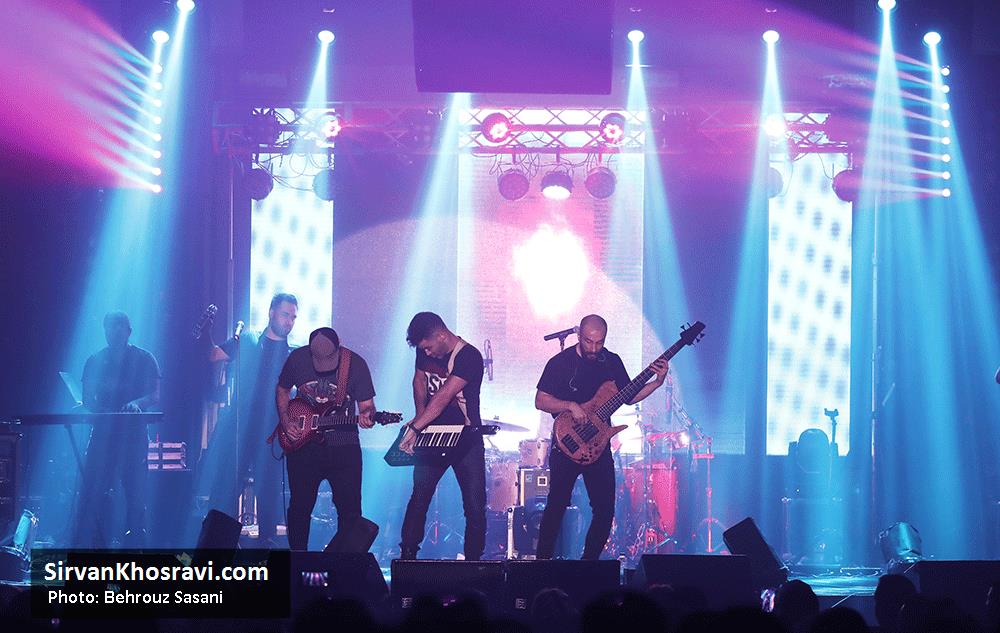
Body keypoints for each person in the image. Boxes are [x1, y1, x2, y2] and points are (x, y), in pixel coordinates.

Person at [534, 314, 668, 560]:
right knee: (556, 506)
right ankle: (541, 563)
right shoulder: (560, 363)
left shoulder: (611, 362)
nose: (594, 348)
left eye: (599, 342)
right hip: (567, 442)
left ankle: (589, 565)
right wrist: (570, 405)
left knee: (605, 509)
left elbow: (629, 396)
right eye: (588, 342)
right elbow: (540, 400)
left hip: (598, 444)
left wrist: (657, 382)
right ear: (578, 335)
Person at [206, 292, 297, 547]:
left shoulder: (294, 354)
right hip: (240, 428)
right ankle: (219, 544)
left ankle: (266, 545)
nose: (289, 321)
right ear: (271, 312)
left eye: (293, 317)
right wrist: (206, 331)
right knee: (227, 486)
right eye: (285, 314)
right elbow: (214, 355)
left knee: (268, 491)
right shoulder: (247, 340)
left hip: (272, 433)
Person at [276, 327, 376, 551]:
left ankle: (342, 563)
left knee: (350, 512)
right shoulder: (298, 359)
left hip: (344, 447)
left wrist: (368, 416)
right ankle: (297, 560)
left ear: (338, 348)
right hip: (304, 447)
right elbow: (282, 390)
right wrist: (285, 420)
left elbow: (367, 406)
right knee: (299, 508)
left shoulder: (355, 365)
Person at [398, 312, 486, 560]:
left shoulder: (469, 356)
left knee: (475, 506)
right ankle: (407, 556)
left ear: (441, 335)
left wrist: (416, 428)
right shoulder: (425, 351)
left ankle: (474, 563)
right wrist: (420, 417)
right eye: (422, 350)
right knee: (419, 496)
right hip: (432, 433)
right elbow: (419, 381)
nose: (426, 353)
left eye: (428, 347)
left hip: (466, 436)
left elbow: (444, 395)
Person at [75, 311, 161, 547]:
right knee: (97, 491)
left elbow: (155, 395)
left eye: (118, 327)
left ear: (128, 331)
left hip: (133, 437)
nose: (113, 332)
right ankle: (96, 544)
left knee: (135, 494)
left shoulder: (145, 359)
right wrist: (100, 410)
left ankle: (135, 545)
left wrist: (136, 403)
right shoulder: (94, 360)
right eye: (109, 327)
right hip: (103, 437)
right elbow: (87, 398)